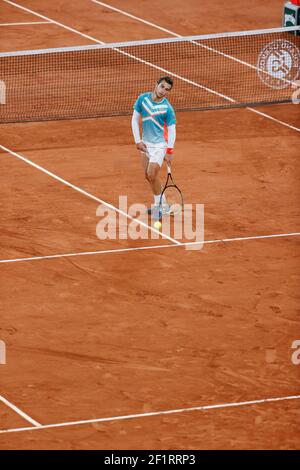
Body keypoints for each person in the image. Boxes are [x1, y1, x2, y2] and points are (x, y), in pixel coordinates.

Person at [131, 76, 176, 219]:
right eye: (162, 87)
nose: (163, 91)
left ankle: (158, 208)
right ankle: (163, 204)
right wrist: (138, 141)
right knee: (148, 176)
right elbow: (134, 119)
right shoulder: (142, 99)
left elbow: (172, 129)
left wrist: (169, 150)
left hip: (159, 146)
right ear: (156, 84)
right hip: (145, 145)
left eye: (167, 90)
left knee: (151, 174)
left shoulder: (167, 108)